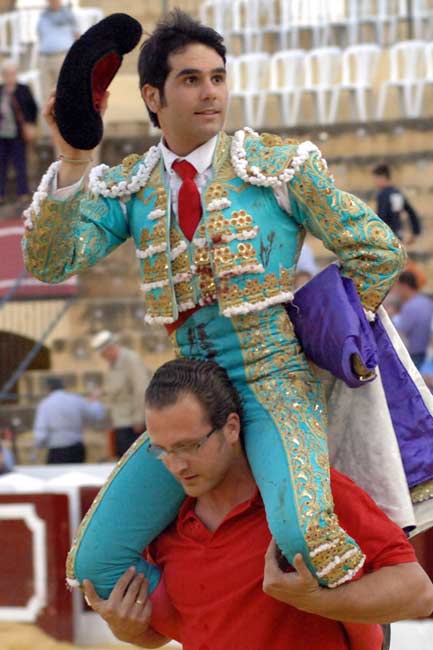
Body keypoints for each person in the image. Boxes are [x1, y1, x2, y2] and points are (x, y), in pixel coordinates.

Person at [24, 10, 408, 597]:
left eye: (218, 77)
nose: (210, 93)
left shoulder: (275, 167)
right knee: (98, 565)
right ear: (152, 96)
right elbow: (51, 262)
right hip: (188, 398)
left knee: (307, 541)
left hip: (275, 381)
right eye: (190, 80)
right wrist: (75, 157)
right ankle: (211, 611)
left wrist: (327, 339)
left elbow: (378, 250)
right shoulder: (131, 186)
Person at [83, 359, 433, 650]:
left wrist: (318, 601)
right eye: (163, 450)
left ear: (231, 428)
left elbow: (418, 592)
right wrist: (128, 630)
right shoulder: (163, 525)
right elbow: (170, 630)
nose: (177, 466)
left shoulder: (308, 495)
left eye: (190, 446)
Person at [90, 330, 151, 458]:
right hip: (120, 421)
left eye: (103, 354)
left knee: (133, 461)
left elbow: (141, 389)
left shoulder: (130, 359)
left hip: (132, 424)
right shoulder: (114, 364)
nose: (103, 357)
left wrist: (138, 418)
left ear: (109, 349)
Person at [33, 376, 105, 464]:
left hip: (57, 450)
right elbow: (96, 415)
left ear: (48, 389)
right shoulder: (76, 400)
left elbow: (41, 434)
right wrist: (95, 400)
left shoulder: (45, 404)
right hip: (76, 448)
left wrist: (38, 447)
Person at [0, 60, 38, 203]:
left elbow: (33, 108)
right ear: (3, 75)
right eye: (7, 74)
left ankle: (23, 193)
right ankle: (1, 194)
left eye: (13, 73)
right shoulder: (1, 90)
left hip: (17, 134)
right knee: (1, 165)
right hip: (2, 135)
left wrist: (31, 125)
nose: (10, 76)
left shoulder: (23, 89)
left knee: (20, 163)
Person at [37, 0, 80, 104]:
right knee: (46, 94)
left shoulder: (68, 15)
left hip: (62, 56)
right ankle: (48, 119)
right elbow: (40, 34)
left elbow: (77, 35)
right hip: (45, 58)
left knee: (64, 91)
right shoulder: (43, 16)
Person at [392, 270, 433, 369]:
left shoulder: (410, 306)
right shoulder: (426, 301)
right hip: (426, 354)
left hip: (414, 356)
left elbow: (401, 328)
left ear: (404, 286)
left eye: (398, 287)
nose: (397, 292)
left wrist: (392, 315)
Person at [372, 163, 422, 244]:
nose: (374, 182)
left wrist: (415, 232)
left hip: (389, 237)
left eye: (376, 178)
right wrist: (415, 232)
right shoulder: (390, 194)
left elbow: (389, 216)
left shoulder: (391, 194)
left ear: (383, 177)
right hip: (392, 236)